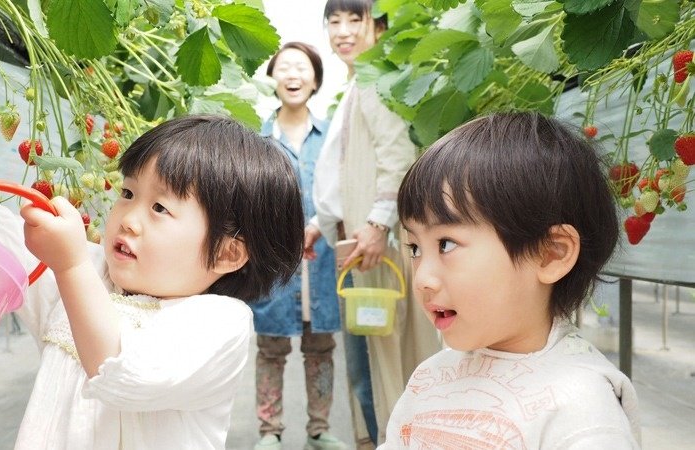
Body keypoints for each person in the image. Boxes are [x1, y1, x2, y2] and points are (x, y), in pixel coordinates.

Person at [0, 114, 306, 449]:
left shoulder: (219, 323)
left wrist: (71, 265)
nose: (128, 219)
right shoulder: (91, 272)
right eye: (128, 193)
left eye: (159, 207)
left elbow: (120, 371)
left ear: (226, 253)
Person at [383, 111, 641, 448]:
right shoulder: (430, 378)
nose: (423, 279)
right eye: (415, 248)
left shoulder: (582, 411)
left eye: (446, 244)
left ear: (550, 254)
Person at [307, 0, 441, 447]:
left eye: (355, 19)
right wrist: (320, 222)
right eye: (334, 21)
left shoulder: (375, 80)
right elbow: (346, 172)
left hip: (372, 245)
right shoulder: (358, 83)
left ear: (379, 28)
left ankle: (390, 440)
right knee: (367, 356)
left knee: (377, 359)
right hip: (359, 242)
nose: (343, 31)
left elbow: (397, 158)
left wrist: (378, 224)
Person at [250, 42, 347, 450]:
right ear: (272, 77)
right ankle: (269, 432)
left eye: (302, 68)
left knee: (321, 348)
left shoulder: (331, 136)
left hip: (321, 259)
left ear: (316, 80)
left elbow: (342, 189)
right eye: (285, 67)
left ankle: (319, 430)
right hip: (274, 262)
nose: (293, 75)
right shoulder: (258, 138)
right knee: (271, 348)